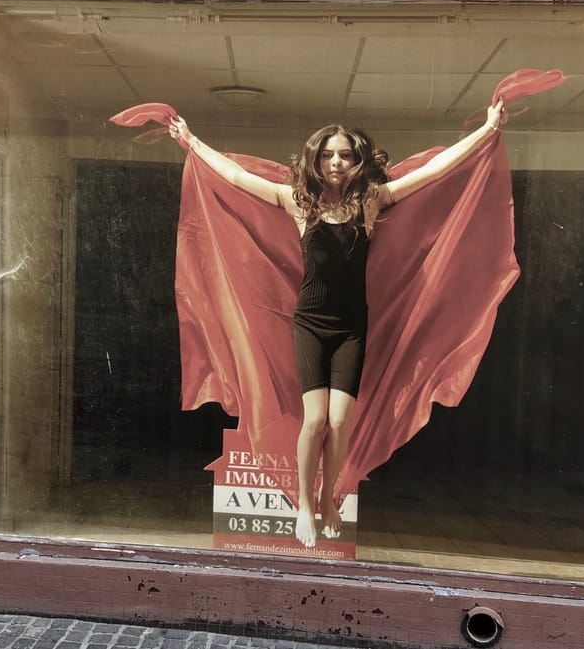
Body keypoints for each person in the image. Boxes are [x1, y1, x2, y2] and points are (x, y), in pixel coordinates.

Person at [168, 99, 509, 548]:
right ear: (315, 159)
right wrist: (191, 142)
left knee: (340, 422)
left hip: (351, 328)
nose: (335, 162)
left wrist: (486, 131)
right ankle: (305, 507)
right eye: (328, 154)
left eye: (345, 154)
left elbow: (434, 171)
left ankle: (329, 498)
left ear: (357, 160)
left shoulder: (370, 202)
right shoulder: (299, 204)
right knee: (315, 423)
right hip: (310, 325)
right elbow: (236, 177)